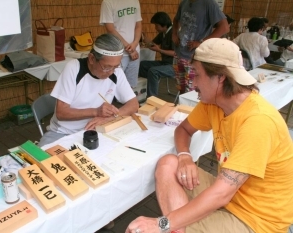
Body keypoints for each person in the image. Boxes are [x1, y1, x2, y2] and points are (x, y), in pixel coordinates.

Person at [125, 38, 293, 233]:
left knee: (165, 225)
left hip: (257, 220)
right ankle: (178, 227)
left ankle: (174, 227)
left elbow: (221, 193)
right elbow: (183, 130)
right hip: (232, 196)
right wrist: (185, 157)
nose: (193, 82)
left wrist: (161, 223)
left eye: (197, 74)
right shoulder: (213, 102)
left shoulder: (258, 121)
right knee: (168, 163)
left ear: (220, 78)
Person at [38, 34, 139, 147]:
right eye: (106, 67)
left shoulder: (116, 71)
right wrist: (96, 112)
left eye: (116, 66)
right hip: (63, 133)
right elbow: (61, 113)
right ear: (92, 58)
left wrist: (110, 118)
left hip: (97, 130)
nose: (111, 71)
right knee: (42, 161)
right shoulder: (74, 68)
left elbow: (134, 105)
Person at [172, 0, 229, 94]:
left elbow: (224, 27)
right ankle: (182, 107)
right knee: (181, 88)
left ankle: (191, 108)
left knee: (192, 91)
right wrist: (174, 34)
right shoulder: (184, 3)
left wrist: (201, 42)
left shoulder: (209, 3)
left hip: (195, 57)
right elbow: (176, 19)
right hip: (179, 54)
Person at [100, 0, 142, 88]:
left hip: (135, 51)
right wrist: (129, 47)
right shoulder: (108, 2)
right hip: (117, 52)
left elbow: (138, 25)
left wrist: (135, 44)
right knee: (113, 85)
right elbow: (110, 29)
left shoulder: (135, 1)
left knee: (130, 86)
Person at [138, 12, 175, 97]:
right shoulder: (163, 33)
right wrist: (144, 36)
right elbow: (152, 43)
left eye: (156, 25)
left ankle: (152, 97)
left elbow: (176, 53)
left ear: (164, 24)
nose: (155, 28)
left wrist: (159, 50)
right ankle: (147, 89)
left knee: (153, 71)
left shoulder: (173, 34)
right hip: (165, 63)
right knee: (142, 65)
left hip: (174, 66)